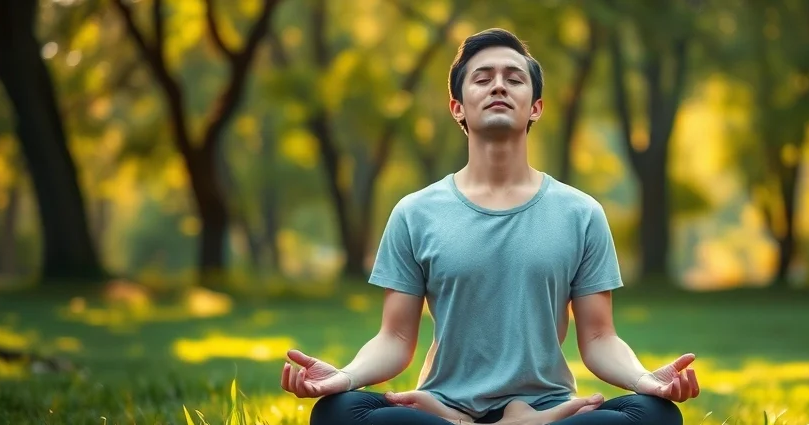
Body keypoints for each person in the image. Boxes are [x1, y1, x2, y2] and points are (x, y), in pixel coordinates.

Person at [280, 28, 701, 425]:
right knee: (338, 412)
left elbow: (599, 339)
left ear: (535, 106)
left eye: (514, 79)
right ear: (457, 107)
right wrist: (345, 378)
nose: (499, 86)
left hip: (546, 406)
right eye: (482, 79)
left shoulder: (581, 213)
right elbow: (394, 338)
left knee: (656, 415)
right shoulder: (415, 212)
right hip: (440, 405)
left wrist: (645, 380)